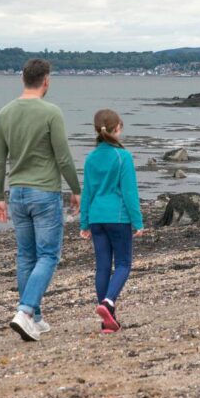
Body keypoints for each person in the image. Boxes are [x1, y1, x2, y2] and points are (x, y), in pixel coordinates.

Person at [0, 58, 81, 342]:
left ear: (23, 79)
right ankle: (26, 311)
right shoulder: (51, 112)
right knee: (48, 255)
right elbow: (63, 156)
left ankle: (36, 317)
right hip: (44, 192)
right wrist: (77, 189)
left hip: (16, 192)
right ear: (46, 81)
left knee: (26, 256)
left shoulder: (4, 113)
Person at [79, 109, 144, 333]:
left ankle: (108, 320)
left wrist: (84, 223)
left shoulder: (91, 158)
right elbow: (129, 192)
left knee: (103, 268)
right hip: (118, 218)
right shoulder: (122, 156)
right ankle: (108, 302)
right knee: (124, 263)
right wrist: (138, 221)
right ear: (117, 128)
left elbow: (87, 192)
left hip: (96, 218)